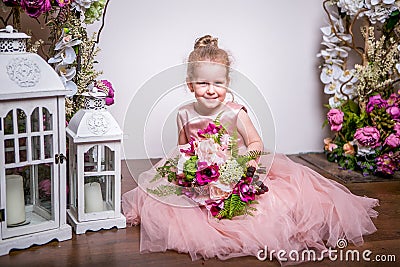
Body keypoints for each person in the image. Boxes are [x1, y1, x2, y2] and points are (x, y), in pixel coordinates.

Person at [121, 35, 378, 265]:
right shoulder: (183, 113)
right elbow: (182, 146)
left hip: (237, 167)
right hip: (201, 174)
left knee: (269, 206)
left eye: (218, 83)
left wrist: (248, 162)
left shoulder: (235, 112)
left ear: (228, 83)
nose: (211, 90)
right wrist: (187, 169)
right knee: (171, 204)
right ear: (190, 85)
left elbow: (255, 143)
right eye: (202, 83)